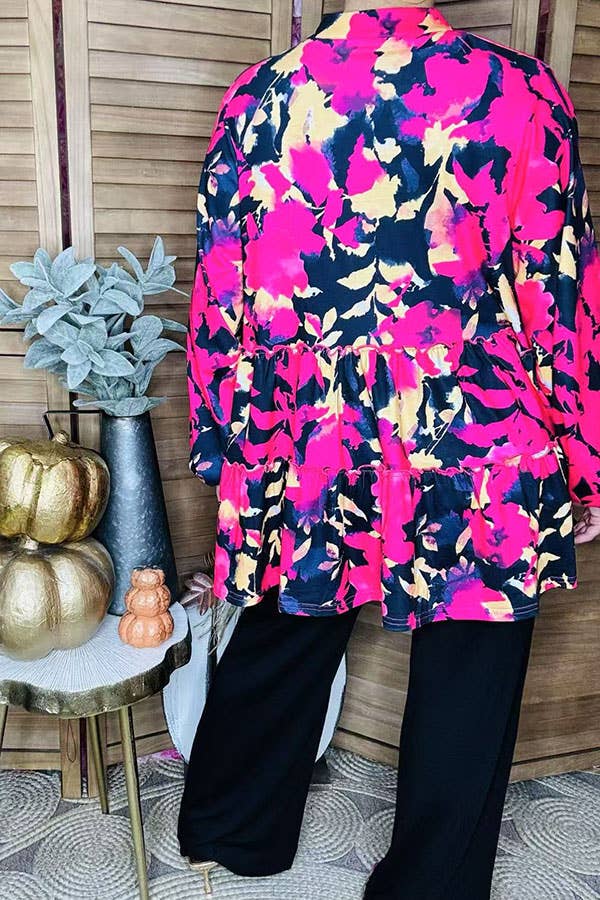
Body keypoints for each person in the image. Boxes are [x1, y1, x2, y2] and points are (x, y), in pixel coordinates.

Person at [178, 2, 600, 897]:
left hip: (307, 424)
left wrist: (222, 438)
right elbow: (557, 291)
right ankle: (431, 886)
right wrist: (583, 454)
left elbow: (222, 286)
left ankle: (232, 827)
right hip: (477, 422)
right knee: (472, 660)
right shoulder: (521, 91)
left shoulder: (259, 95)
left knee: (289, 621)